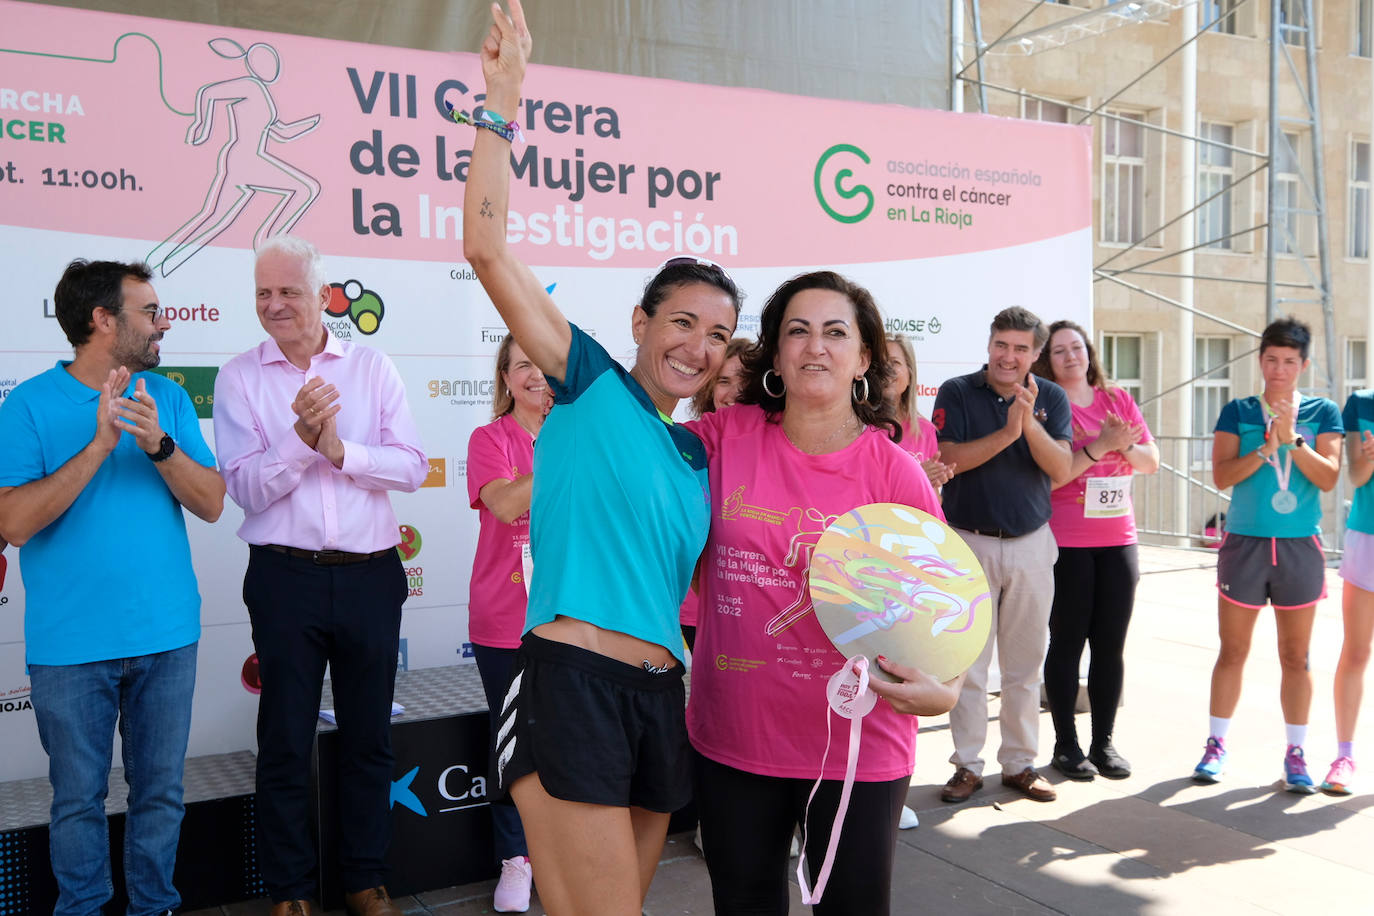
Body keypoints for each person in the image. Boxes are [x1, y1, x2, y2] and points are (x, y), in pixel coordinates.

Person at [462, 4, 742, 913]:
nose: (697, 347)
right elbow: (486, 248)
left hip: (662, 702)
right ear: (641, 324)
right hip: (571, 686)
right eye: (682, 323)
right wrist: (500, 105)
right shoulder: (586, 382)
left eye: (719, 336)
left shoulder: (700, 457)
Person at [687, 271, 961, 915]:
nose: (816, 346)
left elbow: (942, 612)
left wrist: (943, 690)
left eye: (836, 332)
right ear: (775, 353)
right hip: (736, 735)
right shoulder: (725, 438)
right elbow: (634, 457)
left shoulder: (895, 472)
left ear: (864, 357)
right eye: (798, 331)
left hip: (857, 747)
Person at [0, 258, 225, 916]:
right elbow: (12, 521)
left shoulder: (172, 399)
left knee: (160, 794)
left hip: (167, 636)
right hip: (70, 648)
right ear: (103, 321)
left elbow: (211, 502)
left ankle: (153, 907)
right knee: (77, 801)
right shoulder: (29, 405)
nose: (162, 323)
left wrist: (156, 443)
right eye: (149, 312)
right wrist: (100, 444)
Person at [213, 235, 428, 916]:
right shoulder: (239, 377)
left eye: (289, 292)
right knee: (284, 739)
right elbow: (245, 488)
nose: (274, 305)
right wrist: (300, 444)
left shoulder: (372, 367)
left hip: (371, 576)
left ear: (322, 295)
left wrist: (341, 449)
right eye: (262, 293)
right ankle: (291, 892)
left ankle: (365, 879)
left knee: (369, 737)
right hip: (284, 578)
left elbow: (414, 467)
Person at [1192, 317, 1341, 792]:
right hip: (1245, 544)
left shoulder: (1323, 412)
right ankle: (1215, 745)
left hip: (1299, 545)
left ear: (1304, 365)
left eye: (1290, 362)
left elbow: (1329, 477)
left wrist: (1293, 438)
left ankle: (1296, 753)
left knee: (1296, 656)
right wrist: (1264, 447)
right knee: (1233, 650)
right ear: (1260, 361)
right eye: (1271, 360)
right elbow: (1222, 476)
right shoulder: (1237, 411)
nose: (1279, 370)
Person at [933, 306, 1073, 804]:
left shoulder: (1050, 396)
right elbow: (948, 459)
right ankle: (966, 766)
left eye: (1019, 348)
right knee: (968, 664)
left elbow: (1060, 467)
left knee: (1024, 664)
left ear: (1035, 354)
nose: (1007, 357)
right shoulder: (956, 391)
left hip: (1032, 544)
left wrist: (1028, 423)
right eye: (1000, 345)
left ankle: (1019, 763)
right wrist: (1009, 433)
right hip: (968, 541)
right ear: (989, 343)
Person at [1031, 321, 1159, 781]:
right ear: (1049, 359)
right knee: (1067, 642)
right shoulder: (1048, 407)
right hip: (1068, 542)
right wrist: (1101, 446)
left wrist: (1125, 446)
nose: (1070, 356)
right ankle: (1066, 745)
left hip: (1119, 540)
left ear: (1089, 352)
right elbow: (1053, 477)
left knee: (1111, 645)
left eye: (1077, 347)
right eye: (1060, 350)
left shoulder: (1117, 400)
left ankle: (1103, 743)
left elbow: (1150, 462)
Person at [465, 336, 550, 912]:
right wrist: (563, 453)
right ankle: (516, 858)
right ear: (505, 376)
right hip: (505, 619)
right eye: (523, 366)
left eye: (545, 365)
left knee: (572, 745)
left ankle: (562, 853)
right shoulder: (489, 439)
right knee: (513, 743)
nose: (536, 377)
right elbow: (503, 504)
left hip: (576, 619)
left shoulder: (587, 436)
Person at [682, 337, 752, 653]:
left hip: (747, 613)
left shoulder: (773, 452)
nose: (734, 391)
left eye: (745, 380)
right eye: (724, 380)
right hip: (686, 609)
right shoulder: (687, 441)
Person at [1327, 389, 1374, 794]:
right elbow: (1356, 477)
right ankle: (1344, 756)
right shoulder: (1361, 404)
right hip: (1368, 537)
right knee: (1356, 651)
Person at [884, 333, 954, 488]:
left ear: (910, 375)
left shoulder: (925, 430)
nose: (887, 369)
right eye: (879, 363)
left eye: (894, 362)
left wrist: (934, 482)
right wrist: (916, 477)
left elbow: (934, 503)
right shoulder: (857, 428)